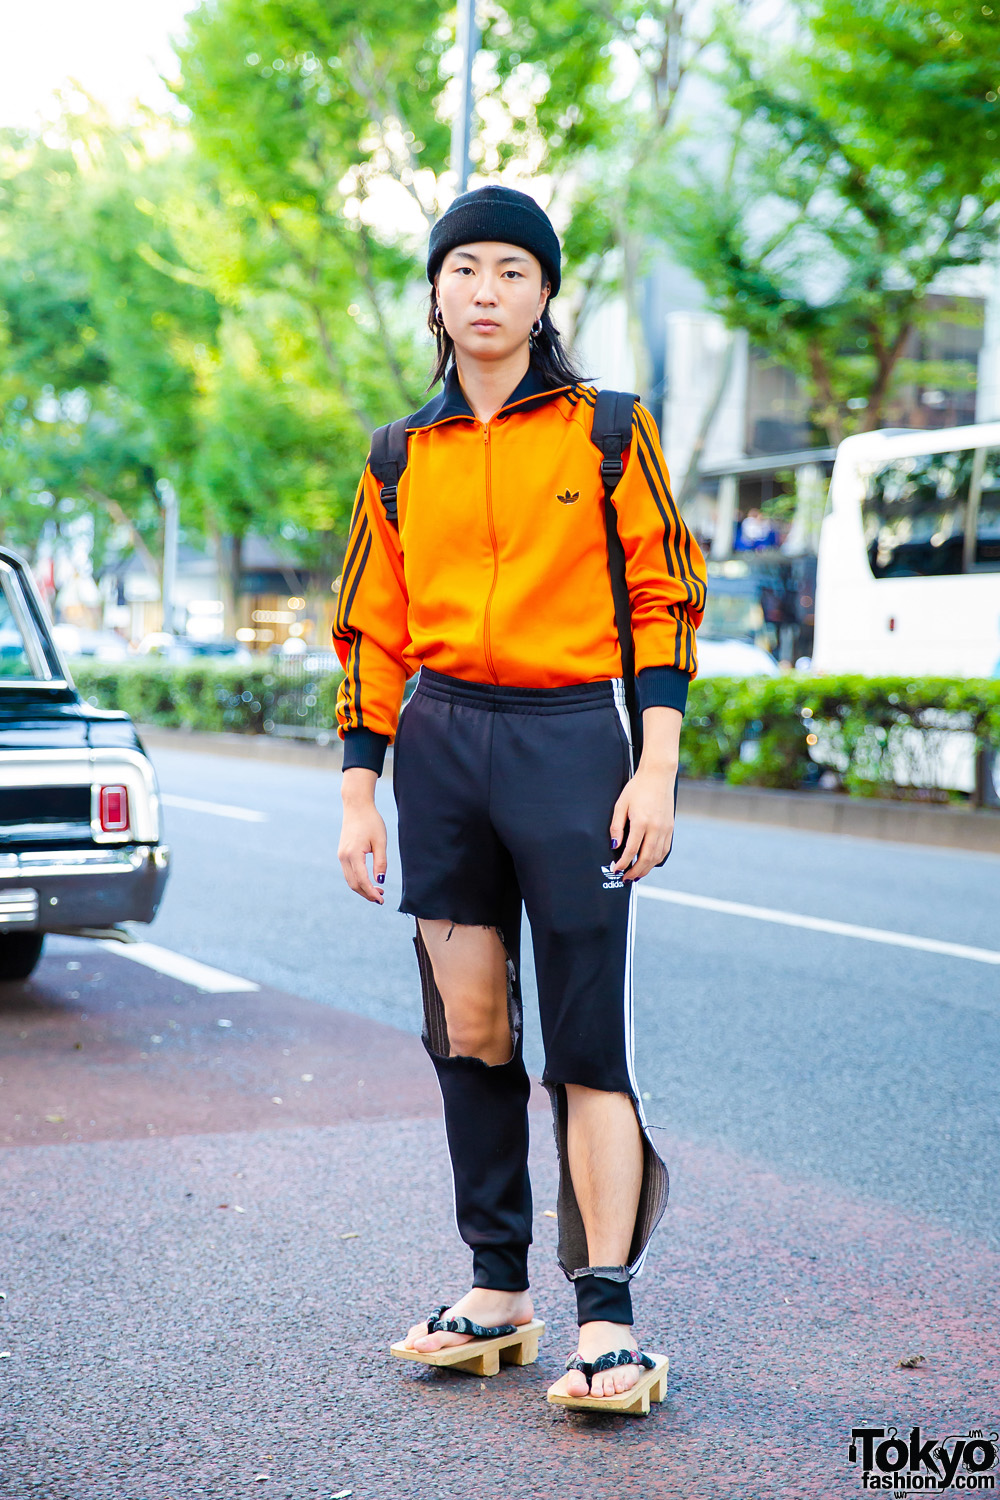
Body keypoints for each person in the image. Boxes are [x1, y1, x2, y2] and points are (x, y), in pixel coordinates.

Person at [333, 184, 706, 1405]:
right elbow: (371, 635)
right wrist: (358, 794)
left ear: (545, 295)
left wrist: (653, 768)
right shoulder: (399, 455)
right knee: (473, 1030)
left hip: (568, 744)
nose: (485, 291)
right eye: (464, 270)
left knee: (586, 1040)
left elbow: (660, 602)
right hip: (442, 745)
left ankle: (608, 1318)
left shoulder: (607, 429)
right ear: (435, 292)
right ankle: (496, 1287)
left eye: (512, 271)